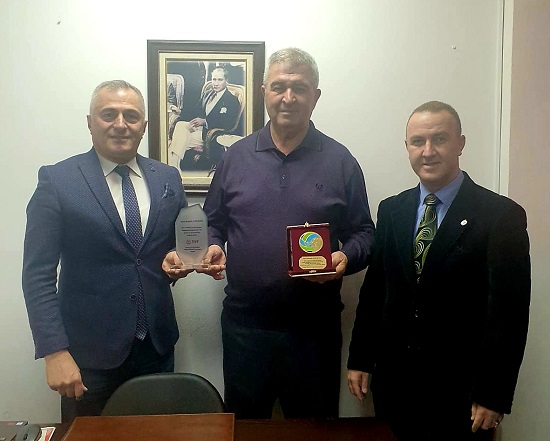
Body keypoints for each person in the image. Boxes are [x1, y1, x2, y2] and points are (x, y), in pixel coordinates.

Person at [164, 47, 375, 419]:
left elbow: (364, 234)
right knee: (245, 429)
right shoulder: (235, 157)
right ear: (264, 92)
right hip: (246, 330)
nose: (288, 97)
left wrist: (345, 257)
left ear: (315, 96)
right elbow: (214, 221)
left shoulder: (341, 161)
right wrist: (213, 245)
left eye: (299, 88)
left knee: (314, 433)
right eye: (279, 87)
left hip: (315, 334)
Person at [347, 101, 531, 440]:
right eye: (418, 141)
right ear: (407, 147)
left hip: (463, 392)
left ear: (460, 144)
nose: (428, 151)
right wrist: (360, 359)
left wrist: (493, 394)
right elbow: (375, 291)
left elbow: (509, 315)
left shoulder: (500, 216)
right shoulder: (392, 210)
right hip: (396, 385)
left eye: (440, 139)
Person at [22, 80, 189, 423]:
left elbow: (173, 247)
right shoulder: (58, 180)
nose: (120, 124)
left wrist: (178, 261)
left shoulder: (167, 178)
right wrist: (54, 351)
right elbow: (37, 275)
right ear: (90, 122)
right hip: (88, 357)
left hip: (156, 349)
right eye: (108, 114)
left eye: (131, 116)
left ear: (144, 125)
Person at [172, 67, 242, 172]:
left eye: (220, 80)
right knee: (180, 125)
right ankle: (174, 167)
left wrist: (205, 122)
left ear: (226, 81)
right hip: (199, 130)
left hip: (211, 134)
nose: (216, 83)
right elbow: (195, 110)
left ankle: (174, 167)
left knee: (178, 140)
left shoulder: (231, 100)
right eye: (214, 79)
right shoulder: (208, 94)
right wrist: (179, 111)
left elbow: (228, 123)